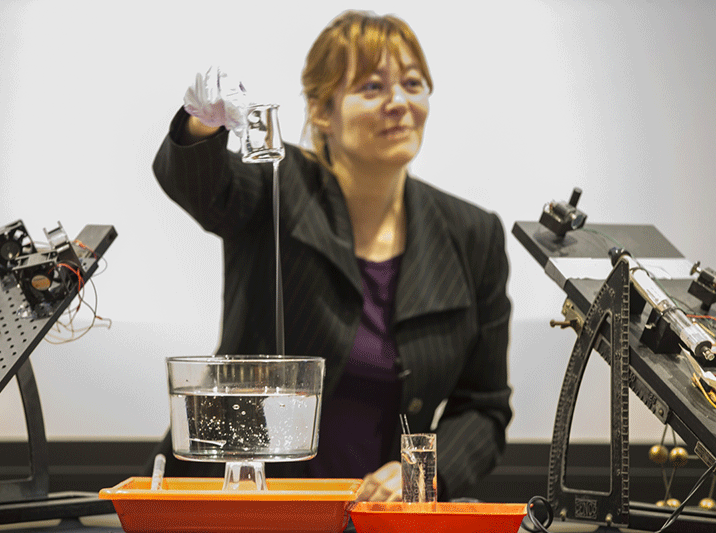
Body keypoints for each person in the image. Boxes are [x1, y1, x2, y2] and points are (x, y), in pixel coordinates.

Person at [149, 10, 512, 501]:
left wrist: (420, 475)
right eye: (372, 88)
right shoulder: (278, 185)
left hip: (378, 518)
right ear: (323, 111)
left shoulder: (473, 234)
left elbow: (483, 407)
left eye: (412, 83)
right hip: (243, 506)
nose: (399, 103)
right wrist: (201, 125)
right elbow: (201, 185)